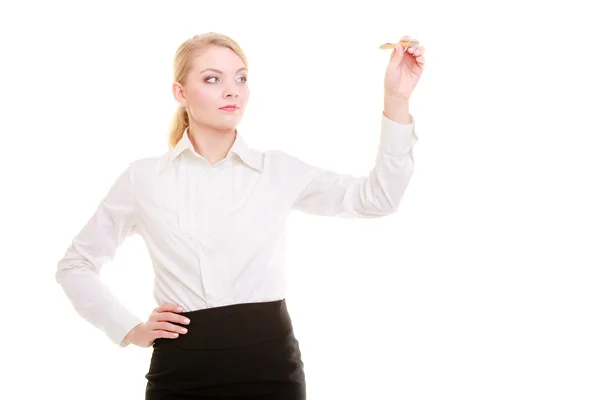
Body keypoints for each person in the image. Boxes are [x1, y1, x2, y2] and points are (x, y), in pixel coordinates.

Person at [55, 31, 425, 399]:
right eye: (212, 79)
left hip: (270, 367)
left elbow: (378, 198)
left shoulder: (277, 171)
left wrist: (396, 99)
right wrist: (127, 328)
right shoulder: (143, 179)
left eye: (241, 78)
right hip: (181, 370)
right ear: (180, 93)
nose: (232, 90)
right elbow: (76, 265)